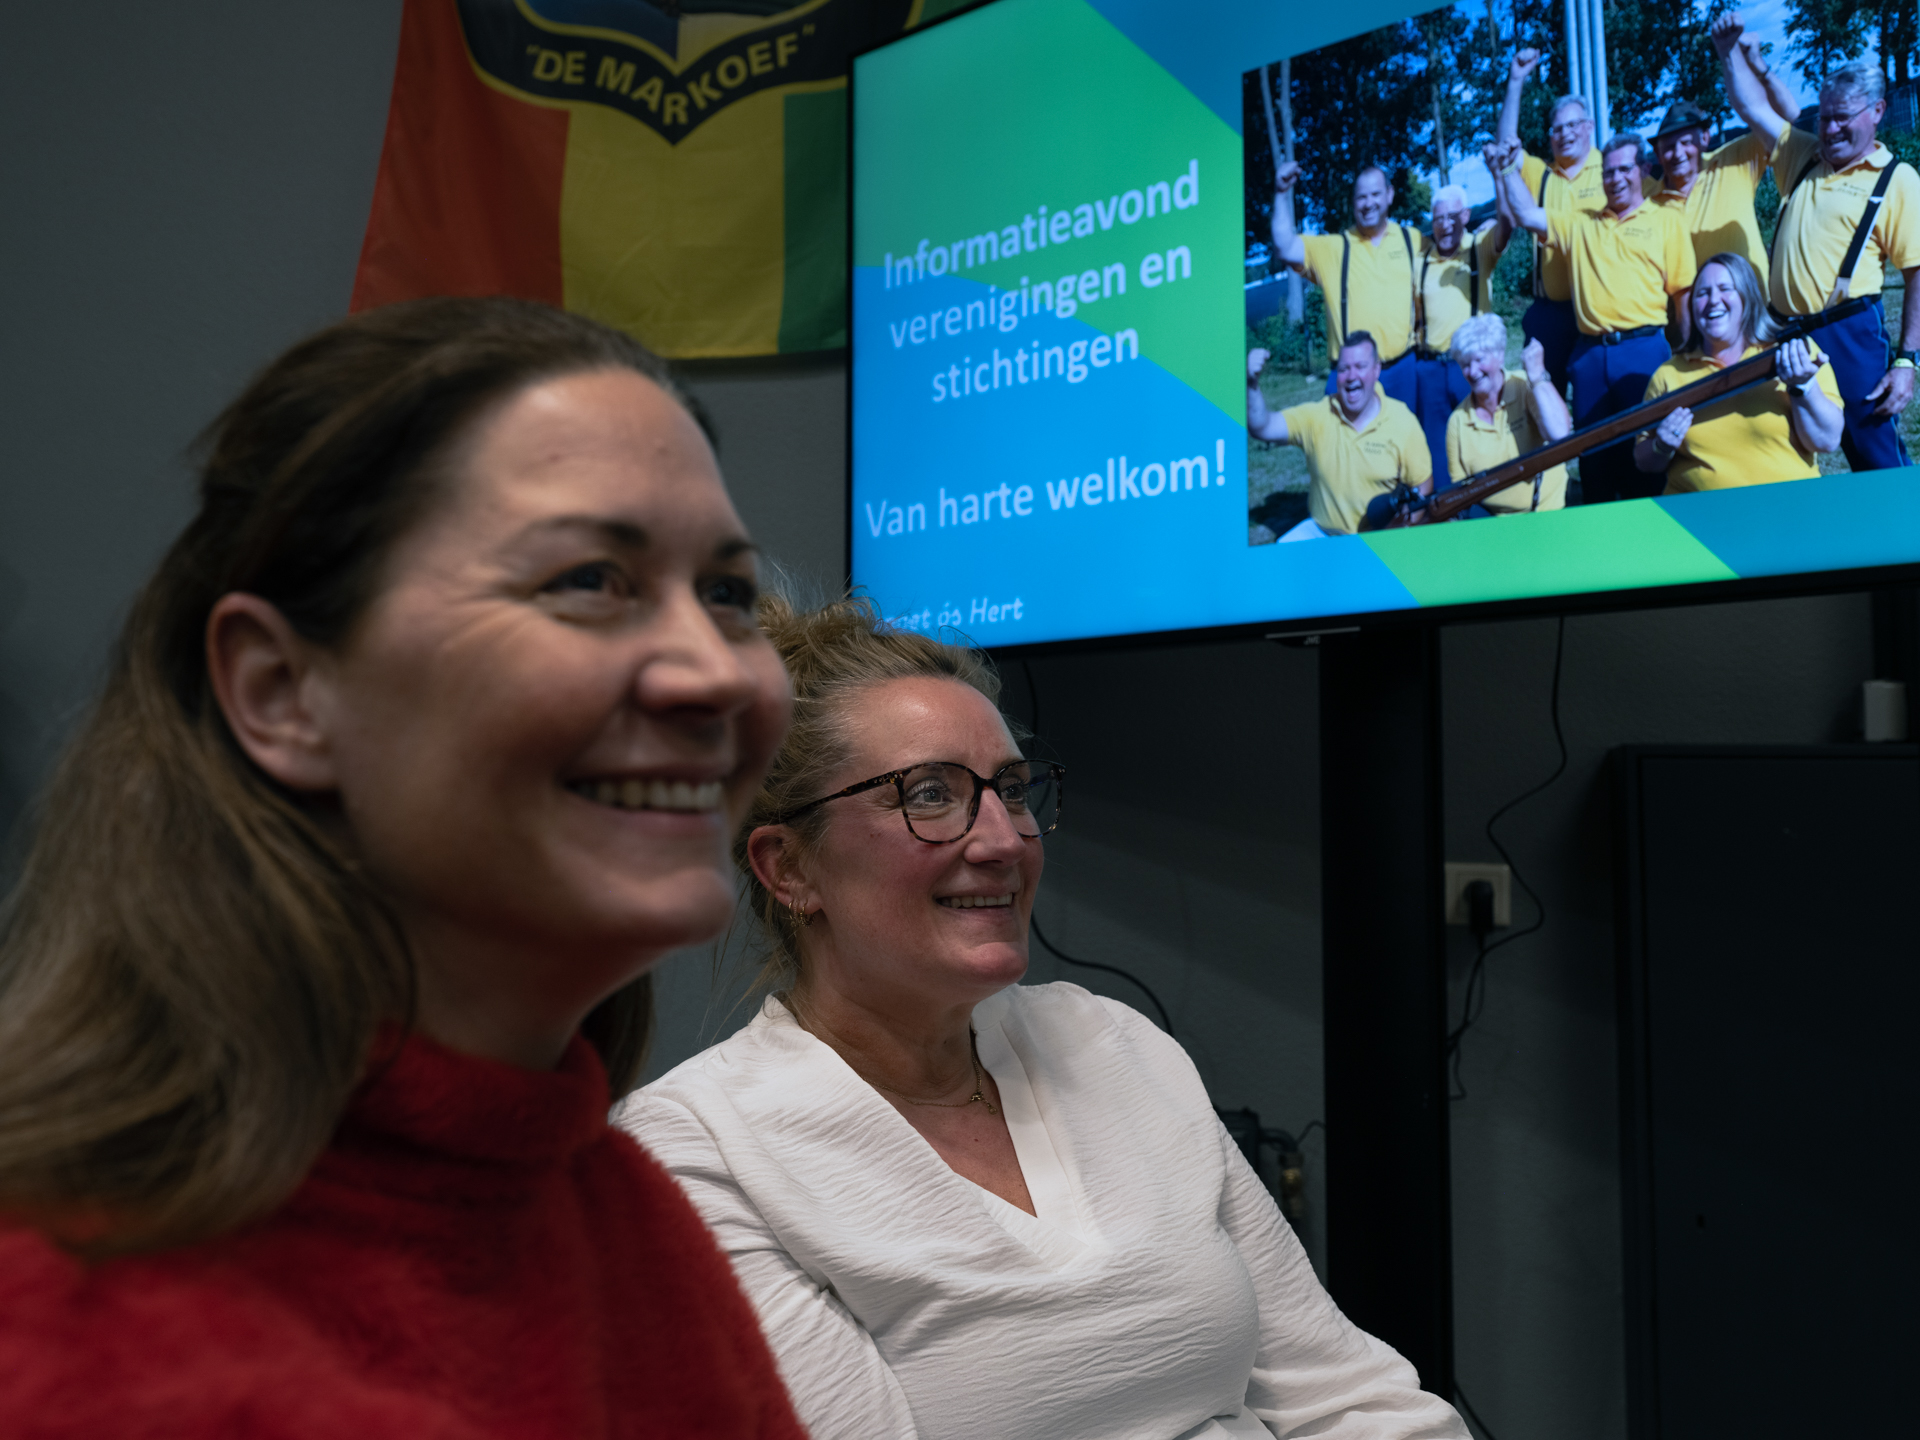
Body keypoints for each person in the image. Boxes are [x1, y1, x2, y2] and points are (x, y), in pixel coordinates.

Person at [0, 298, 805, 1437]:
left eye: (727, 594)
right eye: (589, 579)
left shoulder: (616, 1210)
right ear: (282, 693)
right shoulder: (59, 1330)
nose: (715, 674)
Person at [621, 596, 1471, 1440]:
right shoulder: (698, 1155)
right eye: (929, 795)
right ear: (790, 868)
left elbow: (1345, 1396)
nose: (1003, 840)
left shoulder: (1111, 1044)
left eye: (1011, 789)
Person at [1716, 12, 1918, 471]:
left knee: (1876, 456)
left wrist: (1907, 361)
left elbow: (1916, 273)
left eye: (1842, 118)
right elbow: (1752, 108)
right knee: (1778, 446)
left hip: (1849, 333)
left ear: (1877, 112)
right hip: (1783, 333)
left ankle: (1901, 519)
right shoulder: (1803, 155)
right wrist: (1728, 53)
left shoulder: (1897, 178)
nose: (1829, 130)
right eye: (1825, 117)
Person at [1494, 133, 1696, 503]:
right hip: (1589, 356)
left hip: (1644, 351)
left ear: (1643, 170)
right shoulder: (1581, 224)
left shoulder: (1667, 221)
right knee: (1594, 459)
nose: (1615, 179)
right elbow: (1525, 215)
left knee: (1645, 453)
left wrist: (1684, 355)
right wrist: (1507, 168)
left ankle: (1650, 527)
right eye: (1607, 172)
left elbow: (1682, 298)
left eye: (1624, 169)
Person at [1634, 252, 1844, 492]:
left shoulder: (1794, 353)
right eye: (1703, 293)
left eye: (1726, 289)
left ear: (1747, 296)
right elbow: (1644, 462)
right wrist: (1662, 446)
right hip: (1700, 510)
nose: (1714, 300)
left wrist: (1803, 387)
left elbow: (1826, 441)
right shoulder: (1668, 374)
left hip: (1789, 504)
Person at [1496, 49, 1637, 391]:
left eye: (1572, 125)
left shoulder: (1611, 171)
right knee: (1545, 395)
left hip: (1604, 307)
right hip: (1551, 313)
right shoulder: (1540, 174)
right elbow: (1505, 147)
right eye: (1557, 129)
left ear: (1589, 127)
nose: (1565, 134)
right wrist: (1516, 80)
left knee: (1601, 398)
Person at [1248, 332, 1432, 537]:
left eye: (1360, 366)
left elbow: (1422, 485)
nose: (1351, 376)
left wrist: (1403, 527)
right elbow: (1262, 427)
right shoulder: (1317, 415)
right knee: (1282, 552)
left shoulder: (1402, 420)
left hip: (1379, 537)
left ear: (1376, 369)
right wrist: (1251, 384)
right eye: (1344, 369)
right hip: (1322, 532)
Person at [1270, 160, 1421, 410]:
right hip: (1351, 379)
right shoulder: (1333, 248)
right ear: (1353, 203)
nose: (1368, 203)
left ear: (1390, 194)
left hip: (1403, 371)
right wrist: (1281, 193)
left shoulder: (1411, 240)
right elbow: (1284, 246)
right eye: (1361, 197)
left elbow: (1450, 252)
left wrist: (1486, 232)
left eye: (1375, 194)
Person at [1414, 185, 1511, 483]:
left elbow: (1506, 226)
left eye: (1452, 216)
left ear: (1466, 216)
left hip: (1470, 366)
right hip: (1430, 367)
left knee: (1478, 435)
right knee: (1437, 445)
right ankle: (1446, 503)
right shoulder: (1421, 261)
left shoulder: (1479, 247)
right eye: (1438, 218)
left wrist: (1500, 177)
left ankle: (1486, 496)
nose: (1445, 225)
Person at [1445, 314, 1573, 514]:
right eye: (1465, 365)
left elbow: (1560, 434)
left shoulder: (1525, 386)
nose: (1473, 371)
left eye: (1479, 359)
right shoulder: (1458, 421)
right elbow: (1459, 494)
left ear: (1500, 356)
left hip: (1545, 513)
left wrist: (1537, 377)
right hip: (1491, 522)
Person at [1648, 97, 1777, 288]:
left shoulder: (1734, 160)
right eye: (1668, 147)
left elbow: (1780, 120)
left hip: (1751, 301)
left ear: (1705, 138)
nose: (1678, 153)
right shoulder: (1647, 199)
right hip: (1685, 306)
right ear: (1657, 154)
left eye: (1686, 142)